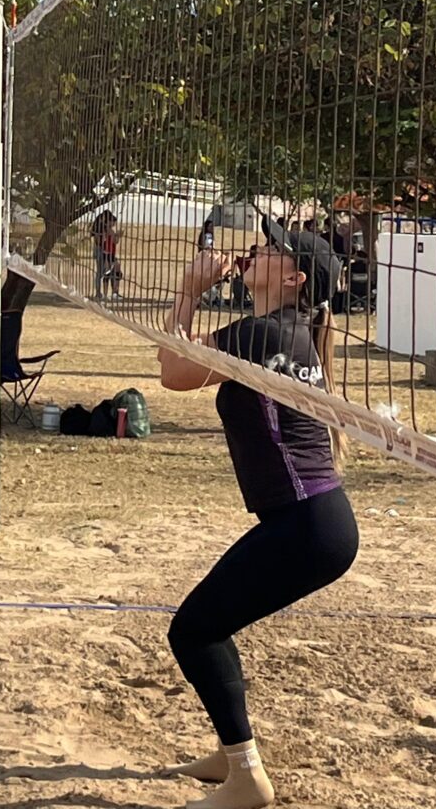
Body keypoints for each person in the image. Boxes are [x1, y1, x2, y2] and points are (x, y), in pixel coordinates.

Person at [158, 220, 357, 809]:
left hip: (307, 525)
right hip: (309, 522)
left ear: (294, 278)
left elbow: (174, 375)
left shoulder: (264, 334)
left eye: (272, 249)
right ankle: (232, 753)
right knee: (212, 624)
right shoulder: (280, 331)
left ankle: (247, 777)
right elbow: (189, 369)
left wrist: (190, 292)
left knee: (193, 631)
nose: (256, 248)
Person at [91, 210, 122, 301]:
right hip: (103, 252)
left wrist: (116, 236)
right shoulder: (101, 229)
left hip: (108, 253)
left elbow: (114, 241)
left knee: (112, 271)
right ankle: (100, 293)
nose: (113, 223)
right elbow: (100, 241)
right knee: (103, 272)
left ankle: (113, 292)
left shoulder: (105, 229)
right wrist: (115, 235)